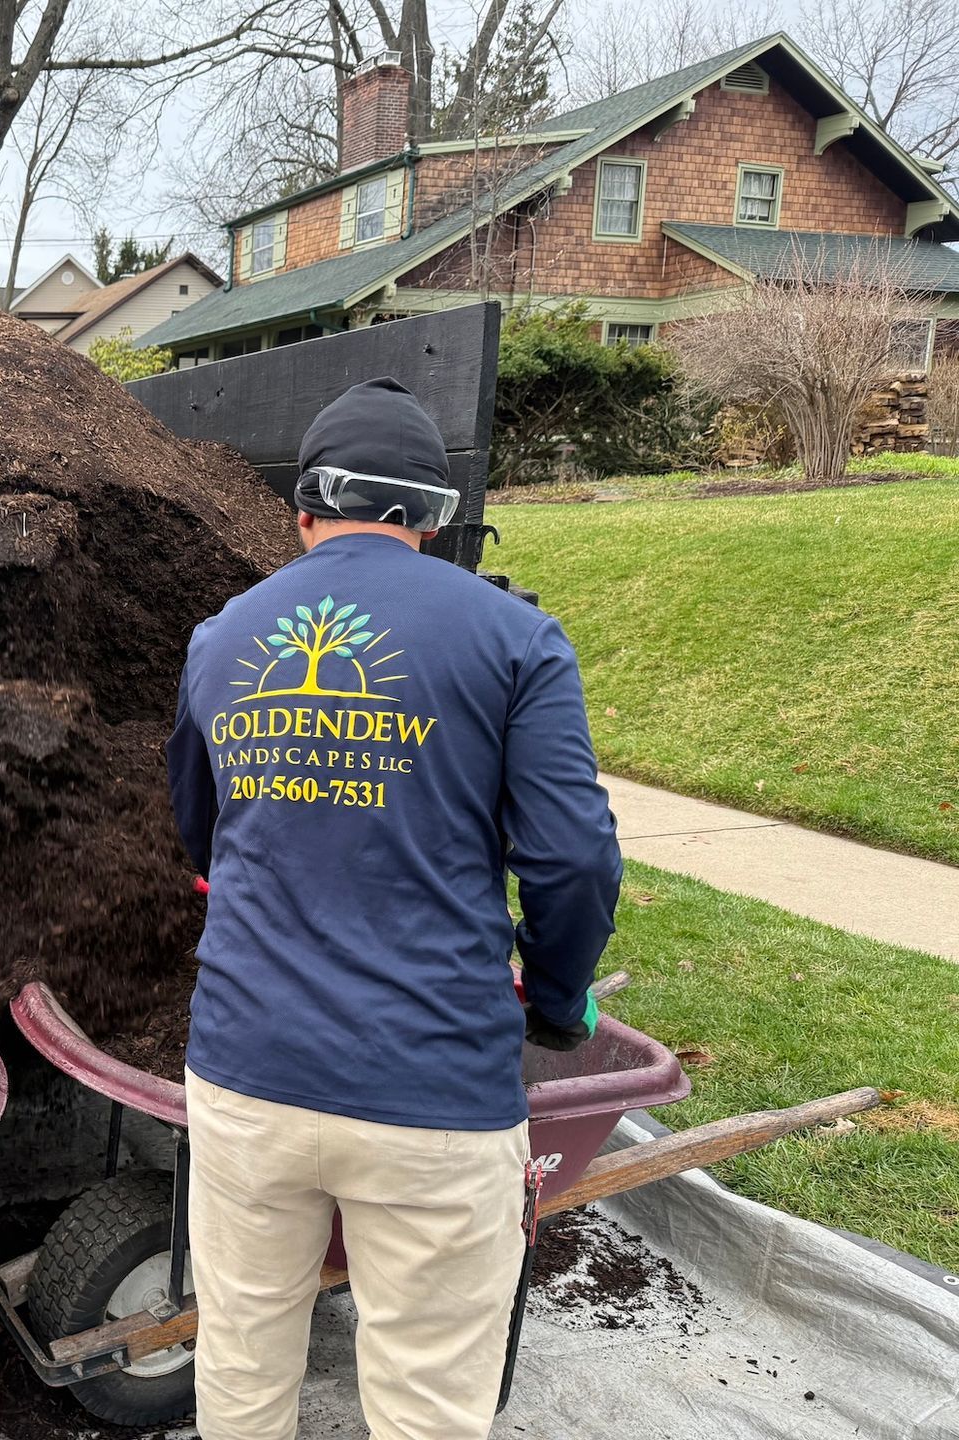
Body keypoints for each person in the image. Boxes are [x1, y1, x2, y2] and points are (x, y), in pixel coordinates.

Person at [166, 376, 622, 1440]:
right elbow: (572, 863)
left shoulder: (220, 639)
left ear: (302, 512)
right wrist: (556, 1002)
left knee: (239, 1355)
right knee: (426, 1395)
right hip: (432, 1088)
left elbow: (202, 835)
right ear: (434, 515)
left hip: (247, 1076)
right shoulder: (516, 638)